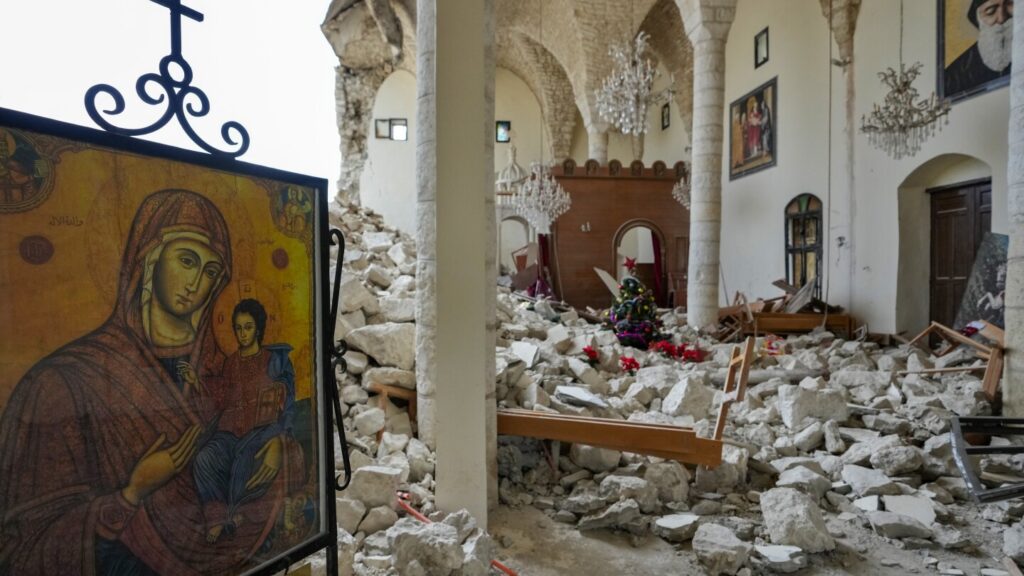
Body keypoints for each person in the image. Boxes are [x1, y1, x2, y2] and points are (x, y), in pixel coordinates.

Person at [0, 189, 297, 575]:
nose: (197, 283)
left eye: (211, 272)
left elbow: (257, 425)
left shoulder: (218, 367)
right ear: (150, 257)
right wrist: (132, 493)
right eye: (187, 260)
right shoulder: (63, 381)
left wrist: (279, 444)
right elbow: (24, 544)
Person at [185, 299, 297, 544]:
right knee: (204, 459)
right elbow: (221, 398)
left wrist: (282, 434)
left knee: (243, 463)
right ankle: (217, 517)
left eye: (248, 327)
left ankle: (237, 515)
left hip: (260, 430)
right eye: (238, 328)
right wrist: (196, 382)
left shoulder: (274, 360)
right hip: (228, 432)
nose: (242, 333)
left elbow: (288, 401)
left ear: (258, 329)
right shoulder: (231, 362)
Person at [944, 0, 1013, 98]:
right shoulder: (954, 76)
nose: (1002, 18)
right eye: (990, 11)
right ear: (978, 19)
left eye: (1010, 4)